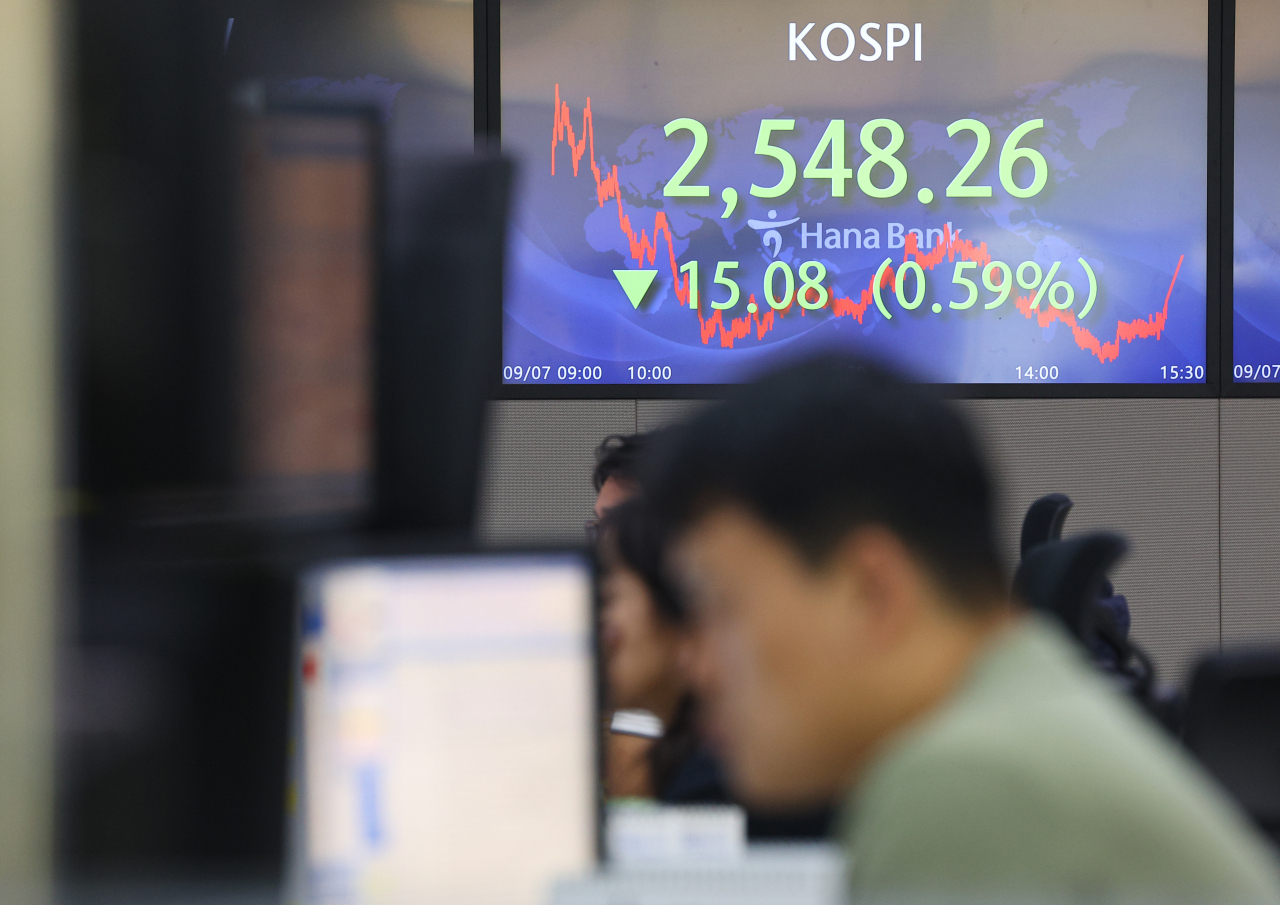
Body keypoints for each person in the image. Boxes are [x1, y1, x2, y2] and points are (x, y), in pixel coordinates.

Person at [642, 354, 1280, 900]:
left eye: (719, 605)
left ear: (872, 592)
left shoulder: (969, 781)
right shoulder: (1018, 715)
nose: (695, 661)